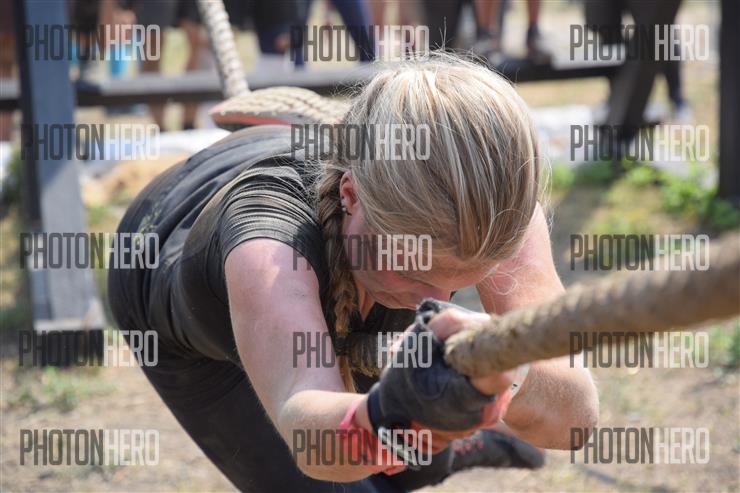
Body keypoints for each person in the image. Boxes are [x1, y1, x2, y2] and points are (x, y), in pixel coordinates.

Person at [108, 54, 598, 492]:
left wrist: (505, 370)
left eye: (465, 276)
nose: (435, 299)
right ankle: (442, 446)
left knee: (408, 441)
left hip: (353, 198)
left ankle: (438, 449)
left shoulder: (497, 205)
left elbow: (574, 417)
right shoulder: (267, 250)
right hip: (168, 260)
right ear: (350, 195)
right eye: (414, 271)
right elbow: (309, 428)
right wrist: (394, 417)